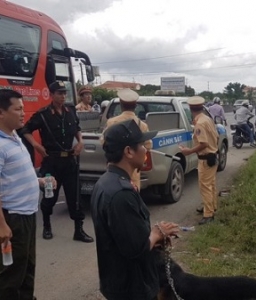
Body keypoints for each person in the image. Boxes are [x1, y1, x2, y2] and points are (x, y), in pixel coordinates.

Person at [91, 119, 178, 300]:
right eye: (142, 145)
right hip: (132, 288)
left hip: (119, 281)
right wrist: (156, 234)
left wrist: (155, 234)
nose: (146, 149)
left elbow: (125, 233)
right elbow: (136, 249)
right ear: (128, 151)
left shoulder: (107, 182)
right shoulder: (121, 193)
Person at [0, 89, 56, 300]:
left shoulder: (14, 136)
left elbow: (14, 176)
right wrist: (2, 224)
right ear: (1, 113)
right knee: (11, 274)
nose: (23, 113)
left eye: (23, 108)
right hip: (12, 218)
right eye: (18, 109)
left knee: (27, 268)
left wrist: (40, 181)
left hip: (27, 215)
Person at [22, 81, 93, 243]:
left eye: (64, 93)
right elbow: (25, 129)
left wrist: (80, 141)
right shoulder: (43, 114)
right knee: (49, 196)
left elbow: (76, 128)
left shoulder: (70, 111)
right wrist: (36, 145)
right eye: (59, 93)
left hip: (69, 161)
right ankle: (47, 226)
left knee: (74, 196)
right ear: (51, 94)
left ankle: (78, 230)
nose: (62, 96)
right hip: (51, 162)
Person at [102, 88, 152, 191]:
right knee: (133, 193)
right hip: (133, 169)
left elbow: (104, 142)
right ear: (135, 105)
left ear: (120, 104)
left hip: (115, 167)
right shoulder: (142, 125)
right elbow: (148, 146)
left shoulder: (112, 122)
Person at [179, 96, 219, 225]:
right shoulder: (207, 119)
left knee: (205, 186)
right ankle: (212, 206)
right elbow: (215, 137)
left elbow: (204, 144)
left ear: (191, 109)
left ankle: (208, 214)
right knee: (211, 184)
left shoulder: (200, 124)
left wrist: (188, 151)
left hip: (205, 159)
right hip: (212, 156)